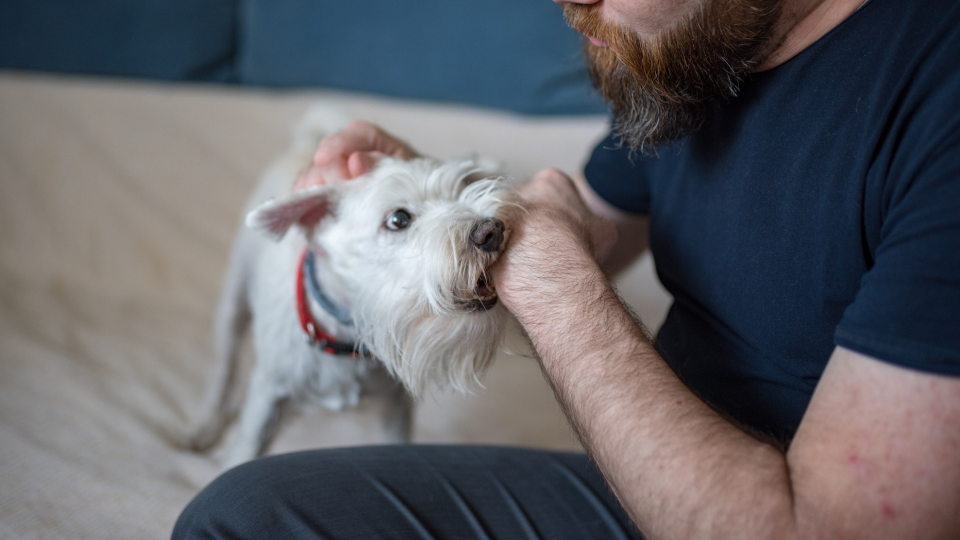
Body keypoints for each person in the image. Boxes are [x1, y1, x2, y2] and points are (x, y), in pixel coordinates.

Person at [174, 0, 960, 537]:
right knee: (245, 518)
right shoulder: (695, 49)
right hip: (637, 488)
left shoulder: (936, 83)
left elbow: (818, 527)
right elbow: (575, 221)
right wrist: (426, 209)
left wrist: (557, 289)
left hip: (761, 514)